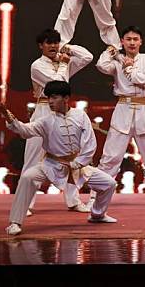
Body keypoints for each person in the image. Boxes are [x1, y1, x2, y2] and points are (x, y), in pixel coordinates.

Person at [0, 81, 118, 236]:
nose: (50, 102)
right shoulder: (46, 120)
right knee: (27, 177)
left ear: (66, 98)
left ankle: (97, 214)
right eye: (48, 98)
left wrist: (79, 163)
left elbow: (89, 142)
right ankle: (15, 222)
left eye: (54, 98)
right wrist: (10, 118)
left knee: (109, 183)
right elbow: (26, 131)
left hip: (77, 166)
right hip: (51, 165)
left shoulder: (80, 115)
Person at [91, 26, 145, 207]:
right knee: (110, 157)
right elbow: (100, 65)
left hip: (144, 110)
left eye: (135, 39)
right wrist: (110, 50)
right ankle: (96, 196)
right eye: (128, 39)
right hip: (122, 109)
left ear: (141, 41)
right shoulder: (117, 61)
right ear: (122, 42)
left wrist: (129, 68)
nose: (132, 42)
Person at [24, 29, 93, 214]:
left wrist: (67, 47)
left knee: (69, 156)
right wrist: (63, 63)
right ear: (41, 46)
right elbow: (58, 84)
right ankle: (26, 203)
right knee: (33, 159)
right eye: (49, 43)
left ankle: (73, 201)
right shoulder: (37, 66)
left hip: (62, 113)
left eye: (56, 42)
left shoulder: (64, 61)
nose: (53, 46)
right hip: (43, 111)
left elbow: (87, 57)